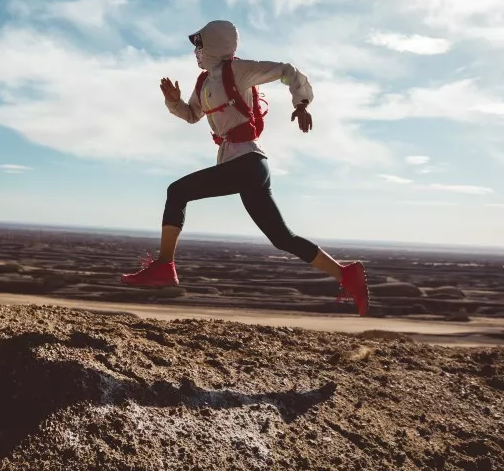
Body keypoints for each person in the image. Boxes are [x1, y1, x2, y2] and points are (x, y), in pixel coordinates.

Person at [120, 19, 370, 316]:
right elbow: (191, 116)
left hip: (247, 164)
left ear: (214, 45)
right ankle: (346, 274)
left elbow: (287, 71)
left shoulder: (237, 70)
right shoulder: (203, 83)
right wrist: (173, 103)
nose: (197, 51)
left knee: (177, 192)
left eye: (200, 44)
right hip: (246, 167)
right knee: (282, 239)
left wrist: (301, 103)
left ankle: (164, 267)